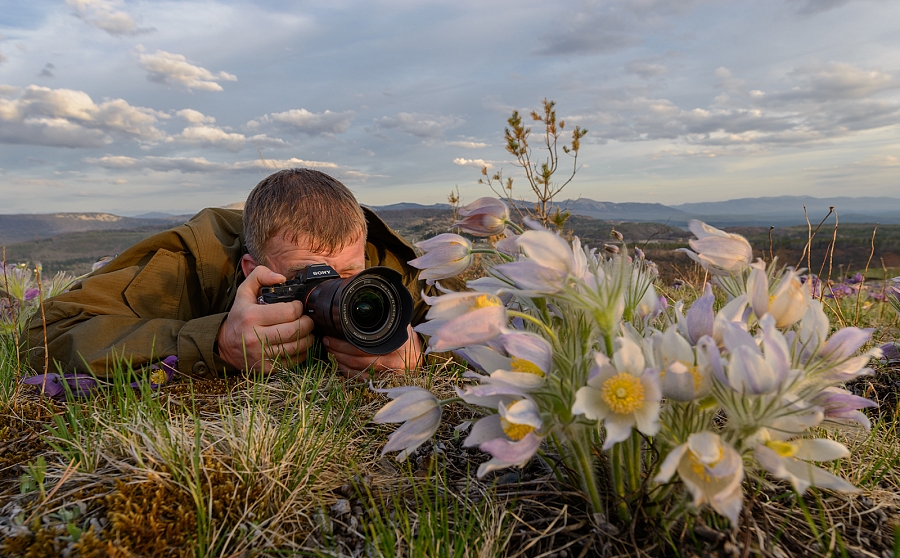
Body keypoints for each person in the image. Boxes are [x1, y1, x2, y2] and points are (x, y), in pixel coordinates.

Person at [28, 168, 430, 379]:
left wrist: (417, 354)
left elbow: (481, 327)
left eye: (348, 274)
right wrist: (218, 343)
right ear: (252, 270)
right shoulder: (191, 261)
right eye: (310, 276)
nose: (339, 290)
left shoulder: (386, 270)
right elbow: (46, 333)